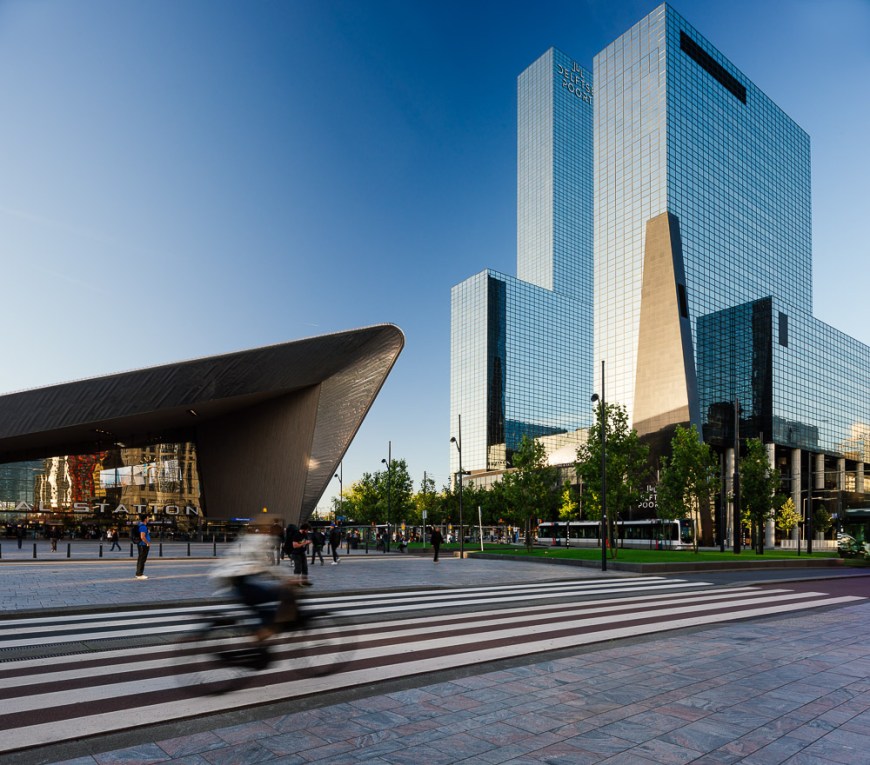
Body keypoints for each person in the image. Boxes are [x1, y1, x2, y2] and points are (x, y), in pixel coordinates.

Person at [209, 532, 301, 641]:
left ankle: (260, 632)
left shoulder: (248, 538)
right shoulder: (261, 541)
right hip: (240, 585)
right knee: (283, 594)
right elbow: (266, 566)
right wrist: (287, 578)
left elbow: (261, 567)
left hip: (230, 583)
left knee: (265, 600)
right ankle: (262, 634)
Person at [134, 515, 151, 579]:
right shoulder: (143, 526)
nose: (149, 519)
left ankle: (139, 573)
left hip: (142, 544)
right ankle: (139, 574)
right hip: (143, 545)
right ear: (145, 519)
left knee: (141, 559)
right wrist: (147, 543)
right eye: (148, 517)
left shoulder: (141, 526)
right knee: (142, 559)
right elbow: (142, 537)